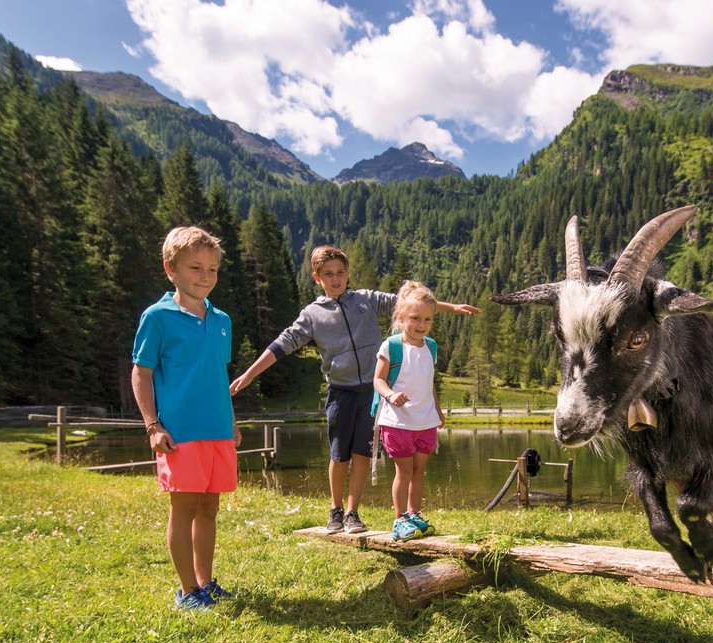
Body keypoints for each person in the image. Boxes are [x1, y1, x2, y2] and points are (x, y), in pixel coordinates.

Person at [229, 245, 478, 534]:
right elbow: (282, 344)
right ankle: (335, 510)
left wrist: (452, 308)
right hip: (340, 391)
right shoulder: (312, 315)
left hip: (372, 394)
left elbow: (410, 305)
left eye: (340, 273)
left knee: (362, 452)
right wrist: (249, 374)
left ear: (348, 274)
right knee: (339, 454)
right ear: (317, 277)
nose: (336, 279)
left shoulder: (366, 300)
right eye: (328, 275)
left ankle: (352, 512)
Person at [131, 226, 241, 611]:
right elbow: (141, 373)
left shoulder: (222, 319)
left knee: (210, 508)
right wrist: (152, 425)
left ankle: (205, 582)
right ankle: (185, 591)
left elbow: (215, 375)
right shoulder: (158, 317)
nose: (205, 277)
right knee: (184, 509)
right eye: (195, 267)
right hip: (180, 432)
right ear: (171, 269)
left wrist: (231, 422)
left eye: (212, 269)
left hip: (217, 430)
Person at [373, 281, 447, 541]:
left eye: (427, 319)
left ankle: (415, 514)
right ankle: (400, 519)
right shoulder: (391, 346)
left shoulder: (431, 347)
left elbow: (429, 383)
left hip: (425, 420)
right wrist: (391, 395)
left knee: (419, 470)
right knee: (403, 471)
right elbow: (378, 380)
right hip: (398, 421)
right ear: (401, 317)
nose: (421, 324)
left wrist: (437, 411)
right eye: (415, 318)